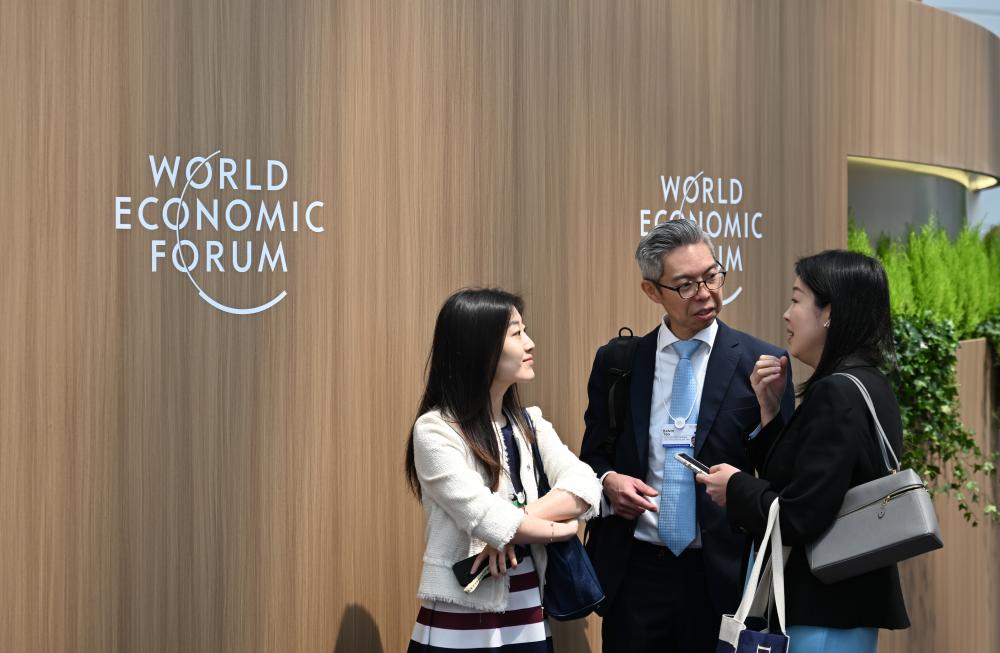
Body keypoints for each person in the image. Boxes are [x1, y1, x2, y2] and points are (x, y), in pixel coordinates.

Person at [579, 220, 795, 652]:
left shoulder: (762, 363)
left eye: (712, 276)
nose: (705, 293)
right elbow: (593, 456)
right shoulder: (620, 363)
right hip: (635, 574)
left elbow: (783, 473)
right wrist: (608, 481)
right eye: (686, 285)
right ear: (652, 291)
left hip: (720, 577)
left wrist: (770, 411)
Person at [698, 249, 910, 652]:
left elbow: (800, 515)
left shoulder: (837, 392)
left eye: (797, 300)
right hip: (839, 607)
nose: (787, 315)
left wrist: (735, 487)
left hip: (824, 611)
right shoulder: (866, 382)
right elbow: (806, 482)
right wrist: (770, 411)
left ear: (829, 312)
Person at [405, 288, 603, 653]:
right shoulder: (435, 430)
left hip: (527, 610)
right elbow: (484, 516)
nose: (529, 343)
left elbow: (586, 485)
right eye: (516, 333)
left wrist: (515, 527)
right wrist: (560, 529)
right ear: (479, 346)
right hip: (461, 614)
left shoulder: (530, 422)